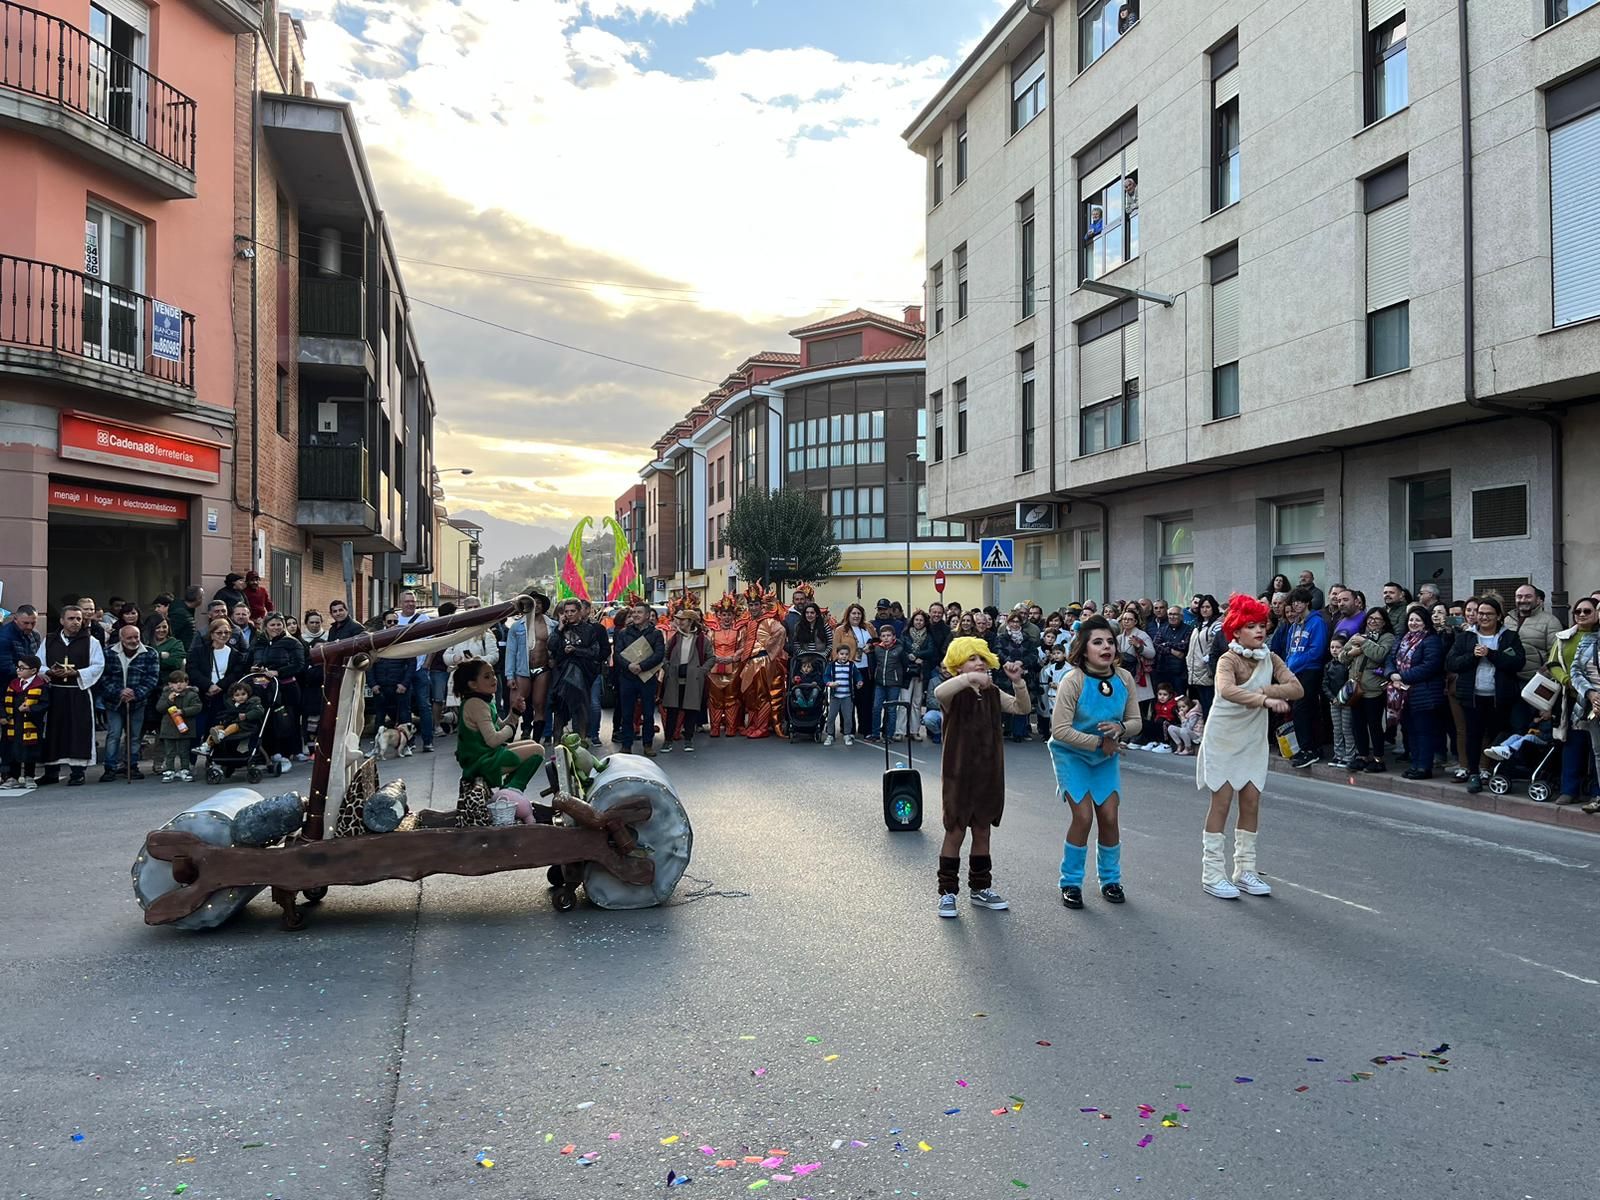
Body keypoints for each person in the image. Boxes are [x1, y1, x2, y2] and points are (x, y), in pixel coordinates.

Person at [1196, 594, 1303, 900]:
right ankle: (1212, 874)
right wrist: (1264, 699)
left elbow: (1297, 687)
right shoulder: (1228, 659)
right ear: (1236, 630)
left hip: (1252, 737)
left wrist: (1264, 689)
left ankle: (1245, 871)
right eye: (1251, 625)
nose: (1259, 631)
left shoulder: (1271, 657)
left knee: (1252, 800)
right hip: (1224, 736)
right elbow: (1226, 690)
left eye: (1262, 625)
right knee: (1222, 801)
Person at [1049, 616, 1141, 909]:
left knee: (1110, 817)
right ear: (1084, 648)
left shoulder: (1124, 678)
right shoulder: (1072, 680)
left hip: (1106, 756)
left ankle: (1110, 880)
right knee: (1083, 817)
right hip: (1071, 754)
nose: (1106, 647)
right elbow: (1059, 729)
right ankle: (1071, 882)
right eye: (1097, 642)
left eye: (1110, 642)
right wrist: (1100, 742)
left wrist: (1122, 730)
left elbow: (1136, 720)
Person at [934, 636, 1029, 918]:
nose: (978, 664)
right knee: (955, 830)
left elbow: (1022, 708)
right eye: (971, 659)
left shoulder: (993, 692)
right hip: (958, 774)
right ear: (957, 666)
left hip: (989, 773)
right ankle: (947, 893)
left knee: (983, 830)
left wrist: (1018, 682)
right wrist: (968, 680)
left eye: (982, 659)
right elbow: (939, 692)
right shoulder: (954, 693)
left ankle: (980, 889)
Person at [1445, 594, 1525, 794]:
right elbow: (1452, 663)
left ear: (1498, 616)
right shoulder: (1466, 637)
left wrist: (1492, 654)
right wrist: (1473, 656)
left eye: (1489, 614)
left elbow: (1516, 662)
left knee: (1498, 736)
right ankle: (1473, 773)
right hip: (1472, 696)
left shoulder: (1509, 637)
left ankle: (1494, 772)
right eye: (1480, 613)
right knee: (1473, 735)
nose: (1483, 617)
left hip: (1500, 696)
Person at [452, 658, 545, 792]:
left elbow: (499, 726)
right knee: (537, 752)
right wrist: (512, 728)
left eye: (493, 674)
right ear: (473, 684)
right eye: (487, 676)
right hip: (482, 761)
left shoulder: (484, 700)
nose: (493, 679)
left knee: (534, 746)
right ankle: (512, 791)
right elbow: (493, 740)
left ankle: (508, 790)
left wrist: (515, 713)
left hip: (488, 754)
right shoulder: (476, 704)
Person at [1545, 596, 1599, 805]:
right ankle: (1569, 790)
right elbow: (1553, 663)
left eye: (1587, 611)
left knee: (1598, 750)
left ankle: (1597, 791)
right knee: (1572, 745)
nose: (1582, 615)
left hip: (1598, 702)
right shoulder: (1564, 637)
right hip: (1574, 700)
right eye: (1578, 611)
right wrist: (1567, 681)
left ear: (1597, 614)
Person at [1384, 604, 1446, 780]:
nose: (1413, 623)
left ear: (1425, 622)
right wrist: (1391, 674)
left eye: (1418, 620)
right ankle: (1414, 764)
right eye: (1411, 619)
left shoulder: (1431, 640)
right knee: (1410, 731)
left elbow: (1430, 666)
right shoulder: (1402, 638)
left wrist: (1402, 676)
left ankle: (1424, 767)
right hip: (1402, 695)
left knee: (1423, 732)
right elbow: (1390, 659)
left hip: (1423, 694)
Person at [96, 622, 157, 781]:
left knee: (135, 736)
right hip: (114, 702)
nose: (133, 640)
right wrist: (119, 692)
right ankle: (110, 768)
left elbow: (151, 679)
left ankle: (132, 765)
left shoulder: (150, 653)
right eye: (129, 637)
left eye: (136, 637)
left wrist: (135, 693)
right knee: (114, 734)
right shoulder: (108, 653)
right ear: (121, 639)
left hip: (138, 702)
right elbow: (103, 677)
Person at [1340, 607, 1396, 773]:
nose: (1372, 622)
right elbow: (1342, 656)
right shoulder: (1358, 635)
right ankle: (1362, 756)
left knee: (1374, 724)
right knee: (1357, 724)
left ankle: (1378, 758)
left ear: (1384, 622)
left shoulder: (1387, 637)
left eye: (1377, 619)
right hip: (1355, 688)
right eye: (1370, 618)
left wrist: (1364, 644)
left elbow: (1380, 654)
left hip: (1374, 689)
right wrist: (1352, 651)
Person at [249, 612, 307, 764]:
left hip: (287, 686)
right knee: (268, 719)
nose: (276, 628)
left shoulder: (292, 642)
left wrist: (278, 672)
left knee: (288, 719)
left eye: (279, 624)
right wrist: (255, 667)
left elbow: (299, 665)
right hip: (265, 686)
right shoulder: (259, 641)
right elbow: (252, 658)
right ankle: (271, 752)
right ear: (266, 626)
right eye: (272, 625)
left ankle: (292, 751)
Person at [1283, 587, 1331, 769]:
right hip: (1294, 671)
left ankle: (1309, 749)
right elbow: (1289, 650)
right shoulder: (1294, 624)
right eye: (1293, 601)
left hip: (1310, 670)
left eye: (1299, 601)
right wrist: (1288, 667)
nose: (1296, 605)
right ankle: (1309, 747)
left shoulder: (1316, 622)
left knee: (1302, 708)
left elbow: (1316, 650)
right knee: (1303, 709)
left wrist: (1295, 664)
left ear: (1307, 602)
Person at [612, 602, 664, 757]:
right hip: (627, 677)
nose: (635, 615)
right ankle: (626, 744)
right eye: (633, 612)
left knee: (648, 713)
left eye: (639, 612)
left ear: (647, 615)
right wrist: (629, 666)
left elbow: (659, 654)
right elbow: (617, 654)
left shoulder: (656, 634)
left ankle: (648, 744)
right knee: (627, 713)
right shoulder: (623, 633)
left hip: (647, 678)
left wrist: (641, 666)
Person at [1506, 584, 1561, 728]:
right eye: (1519, 596)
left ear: (1537, 600)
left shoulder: (1550, 621)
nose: (1523, 600)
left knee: (1539, 729)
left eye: (1528, 596)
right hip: (1510, 682)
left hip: (1535, 683)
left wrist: (1542, 676)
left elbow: (1555, 655)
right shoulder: (1507, 620)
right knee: (1515, 727)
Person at [659, 605, 711, 752]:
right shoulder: (675, 638)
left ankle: (688, 740)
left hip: (693, 679)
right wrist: (668, 668)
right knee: (672, 711)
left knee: (691, 710)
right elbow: (663, 655)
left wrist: (702, 671)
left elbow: (711, 657)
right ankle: (667, 740)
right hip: (675, 678)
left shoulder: (702, 639)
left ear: (691, 622)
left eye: (684, 620)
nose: (680, 622)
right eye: (679, 620)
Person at [506, 590, 555, 743]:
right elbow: (511, 651)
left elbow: (557, 647)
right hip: (522, 670)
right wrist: (509, 675)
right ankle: (507, 740)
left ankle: (535, 742)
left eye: (538, 602)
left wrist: (554, 660)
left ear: (543, 605)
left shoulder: (552, 625)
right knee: (516, 704)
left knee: (539, 705)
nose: (535, 605)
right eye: (531, 603)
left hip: (543, 669)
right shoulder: (516, 626)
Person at [187, 618, 246, 739]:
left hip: (222, 696)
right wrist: (208, 685)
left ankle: (214, 757)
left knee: (216, 731)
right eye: (219, 632)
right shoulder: (198, 652)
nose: (223, 635)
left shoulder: (236, 655)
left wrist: (220, 686)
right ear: (212, 634)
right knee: (197, 731)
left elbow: (236, 674)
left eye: (227, 632)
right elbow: (193, 671)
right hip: (201, 696)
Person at [392, 591, 435, 752]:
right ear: (400, 602)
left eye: (413, 601)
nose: (410, 604)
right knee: (405, 708)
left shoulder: (424, 619)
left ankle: (428, 741)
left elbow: (433, 643)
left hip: (420, 670)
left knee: (424, 706)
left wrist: (427, 664)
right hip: (402, 672)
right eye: (407, 601)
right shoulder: (395, 619)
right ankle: (408, 743)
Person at [1, 653, 48, 790]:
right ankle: (12, 777)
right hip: (13, 723)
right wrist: (3, 715)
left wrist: (31, 708)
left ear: (33, 671)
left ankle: (29, 776)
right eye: (18, 667)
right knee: (12, 751)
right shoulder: (13, 684)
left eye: (22, 668)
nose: (18, 670)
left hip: (30, 724)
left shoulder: (40, 685)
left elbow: (45, 704)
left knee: (30, 751)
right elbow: (3, 702)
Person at [196, 681, 265, 767]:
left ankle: (222, 734)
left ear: (248, 694)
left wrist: (247, 715)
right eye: (237, 695)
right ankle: (207, 745)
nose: (241, 697)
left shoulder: (252, 703)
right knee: (217, 727)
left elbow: (259, 711)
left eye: (243, 694)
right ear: (233, 698)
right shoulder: (231, 705)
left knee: (234, 726)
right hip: (230, 725)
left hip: (246, 726)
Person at [369, 610, 413, 736]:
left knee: (404, 716)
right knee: (380, 717)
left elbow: (411, 663)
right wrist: (373, 684)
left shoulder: (404, 640)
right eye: (389, 621)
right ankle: (377, 745)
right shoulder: (376, 640)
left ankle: (408, 744)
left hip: (400, 686)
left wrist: (404, 684)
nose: (392, 624)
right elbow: (370, 664)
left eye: (395, 621)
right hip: (381, 686)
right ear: (384, 623)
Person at [834, 603, 874, 736]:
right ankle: (848, 730)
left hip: (865, 669)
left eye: (859, 613)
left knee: (865, 701)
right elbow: (835, 651)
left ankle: (865, 729)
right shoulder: (840, 630)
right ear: (848, 615)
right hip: (848, 669)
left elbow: (877, 642)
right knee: (848, 701)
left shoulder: (868, 627)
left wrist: (871, 646)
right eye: (853, 613)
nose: (856, 616)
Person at [155, 670, 202, 782]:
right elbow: (159, 708)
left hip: (185, 728)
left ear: (187, 683)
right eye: (175, 682)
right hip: (169, 729)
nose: (179, 685)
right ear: (170, 684)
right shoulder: (166, 695)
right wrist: (169, 701)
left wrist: (183, 711)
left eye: (181, 682)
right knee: (169, 751)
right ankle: (169, 770)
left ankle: (185, 769)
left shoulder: (192, 695)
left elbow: (197, 707)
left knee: (184, 751)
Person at [866, 624, 910, 743]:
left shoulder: (899, 649)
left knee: (891, 710)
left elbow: (905, 665)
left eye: (888, 636)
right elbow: (874, 663)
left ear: (894, 636)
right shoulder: (877, 649)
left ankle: (889, 735)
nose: (886, 638)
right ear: (880, 637)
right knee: (876, 708)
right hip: (880, 683)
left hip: (894, 684)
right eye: (883, 636)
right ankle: (875, 734)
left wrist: (902, 680)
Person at [1116, 610, 1156, 720]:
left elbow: (1152, 653)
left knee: (1139, 707)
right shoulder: (1119, 638)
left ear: (1135, 622)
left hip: (1138, 673)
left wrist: (1139, 645)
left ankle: (1140, 734)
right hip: (1123, 674)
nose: (1126, 621)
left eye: (1129, 619)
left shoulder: (1142, 635)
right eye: (1124, 619)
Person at [1186, 594, 1223, 715]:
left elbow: (1218, 646)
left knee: (1210, 706)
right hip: (1195, 672)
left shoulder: (1217, 625)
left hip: (1208, 672)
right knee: (1200, 707)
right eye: (1202, 607)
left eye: (1208, 607)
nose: (1204, 610)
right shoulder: (1198, 625)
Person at [1323, 636, 1355, 768]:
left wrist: (1344, 698)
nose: (1334, 650)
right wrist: (1332, 698)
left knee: (1347, 728)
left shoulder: (1348, 665)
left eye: (1338, 647)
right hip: (1334, 702)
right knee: (1337, 729)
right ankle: (1338, 755)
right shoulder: (1328, 665)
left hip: (1347, 702)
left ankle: (1350, 755)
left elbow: (1351, 683)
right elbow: (1325, 684)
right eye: (1332, 647)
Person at [0, 605, 43, 682]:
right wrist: (32, 674)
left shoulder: (35, 635)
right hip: (8, 683)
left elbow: (38, 659)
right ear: (15, 620)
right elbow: (5, 667)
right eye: (25, 623)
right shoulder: (4, 636)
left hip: (28, 681)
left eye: (33, 623)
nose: (30, 627)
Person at [824, 643, 855, 747]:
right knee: (831, 716)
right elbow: (826, 676)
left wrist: (860, 681)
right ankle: (830, 735)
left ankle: (847, 734)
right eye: (841, 654)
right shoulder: (832, 665)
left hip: (847, 696)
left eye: (846, 654)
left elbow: (857, 675)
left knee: (848, 717)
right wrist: (829, 683)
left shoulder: (851, 665)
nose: (844, 656)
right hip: (835, 696)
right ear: (837, 654)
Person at [1145, 680, 1178, 749]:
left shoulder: (1173, 705)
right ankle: (1154, 741)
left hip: (1169, 724)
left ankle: (1165, 744)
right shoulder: (1157, 704)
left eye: (1165, 695)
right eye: (1160, 694)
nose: (1162, 697)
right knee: (1150, 723)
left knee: (1161, 721)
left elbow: (1177, 719)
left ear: (1170, 695)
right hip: (1159, 722)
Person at [170, 586, 203, 650]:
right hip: (180, 651)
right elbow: (172, 633)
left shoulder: (187, 610)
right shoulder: (180, 613)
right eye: (202, 596)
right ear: (198, 598)